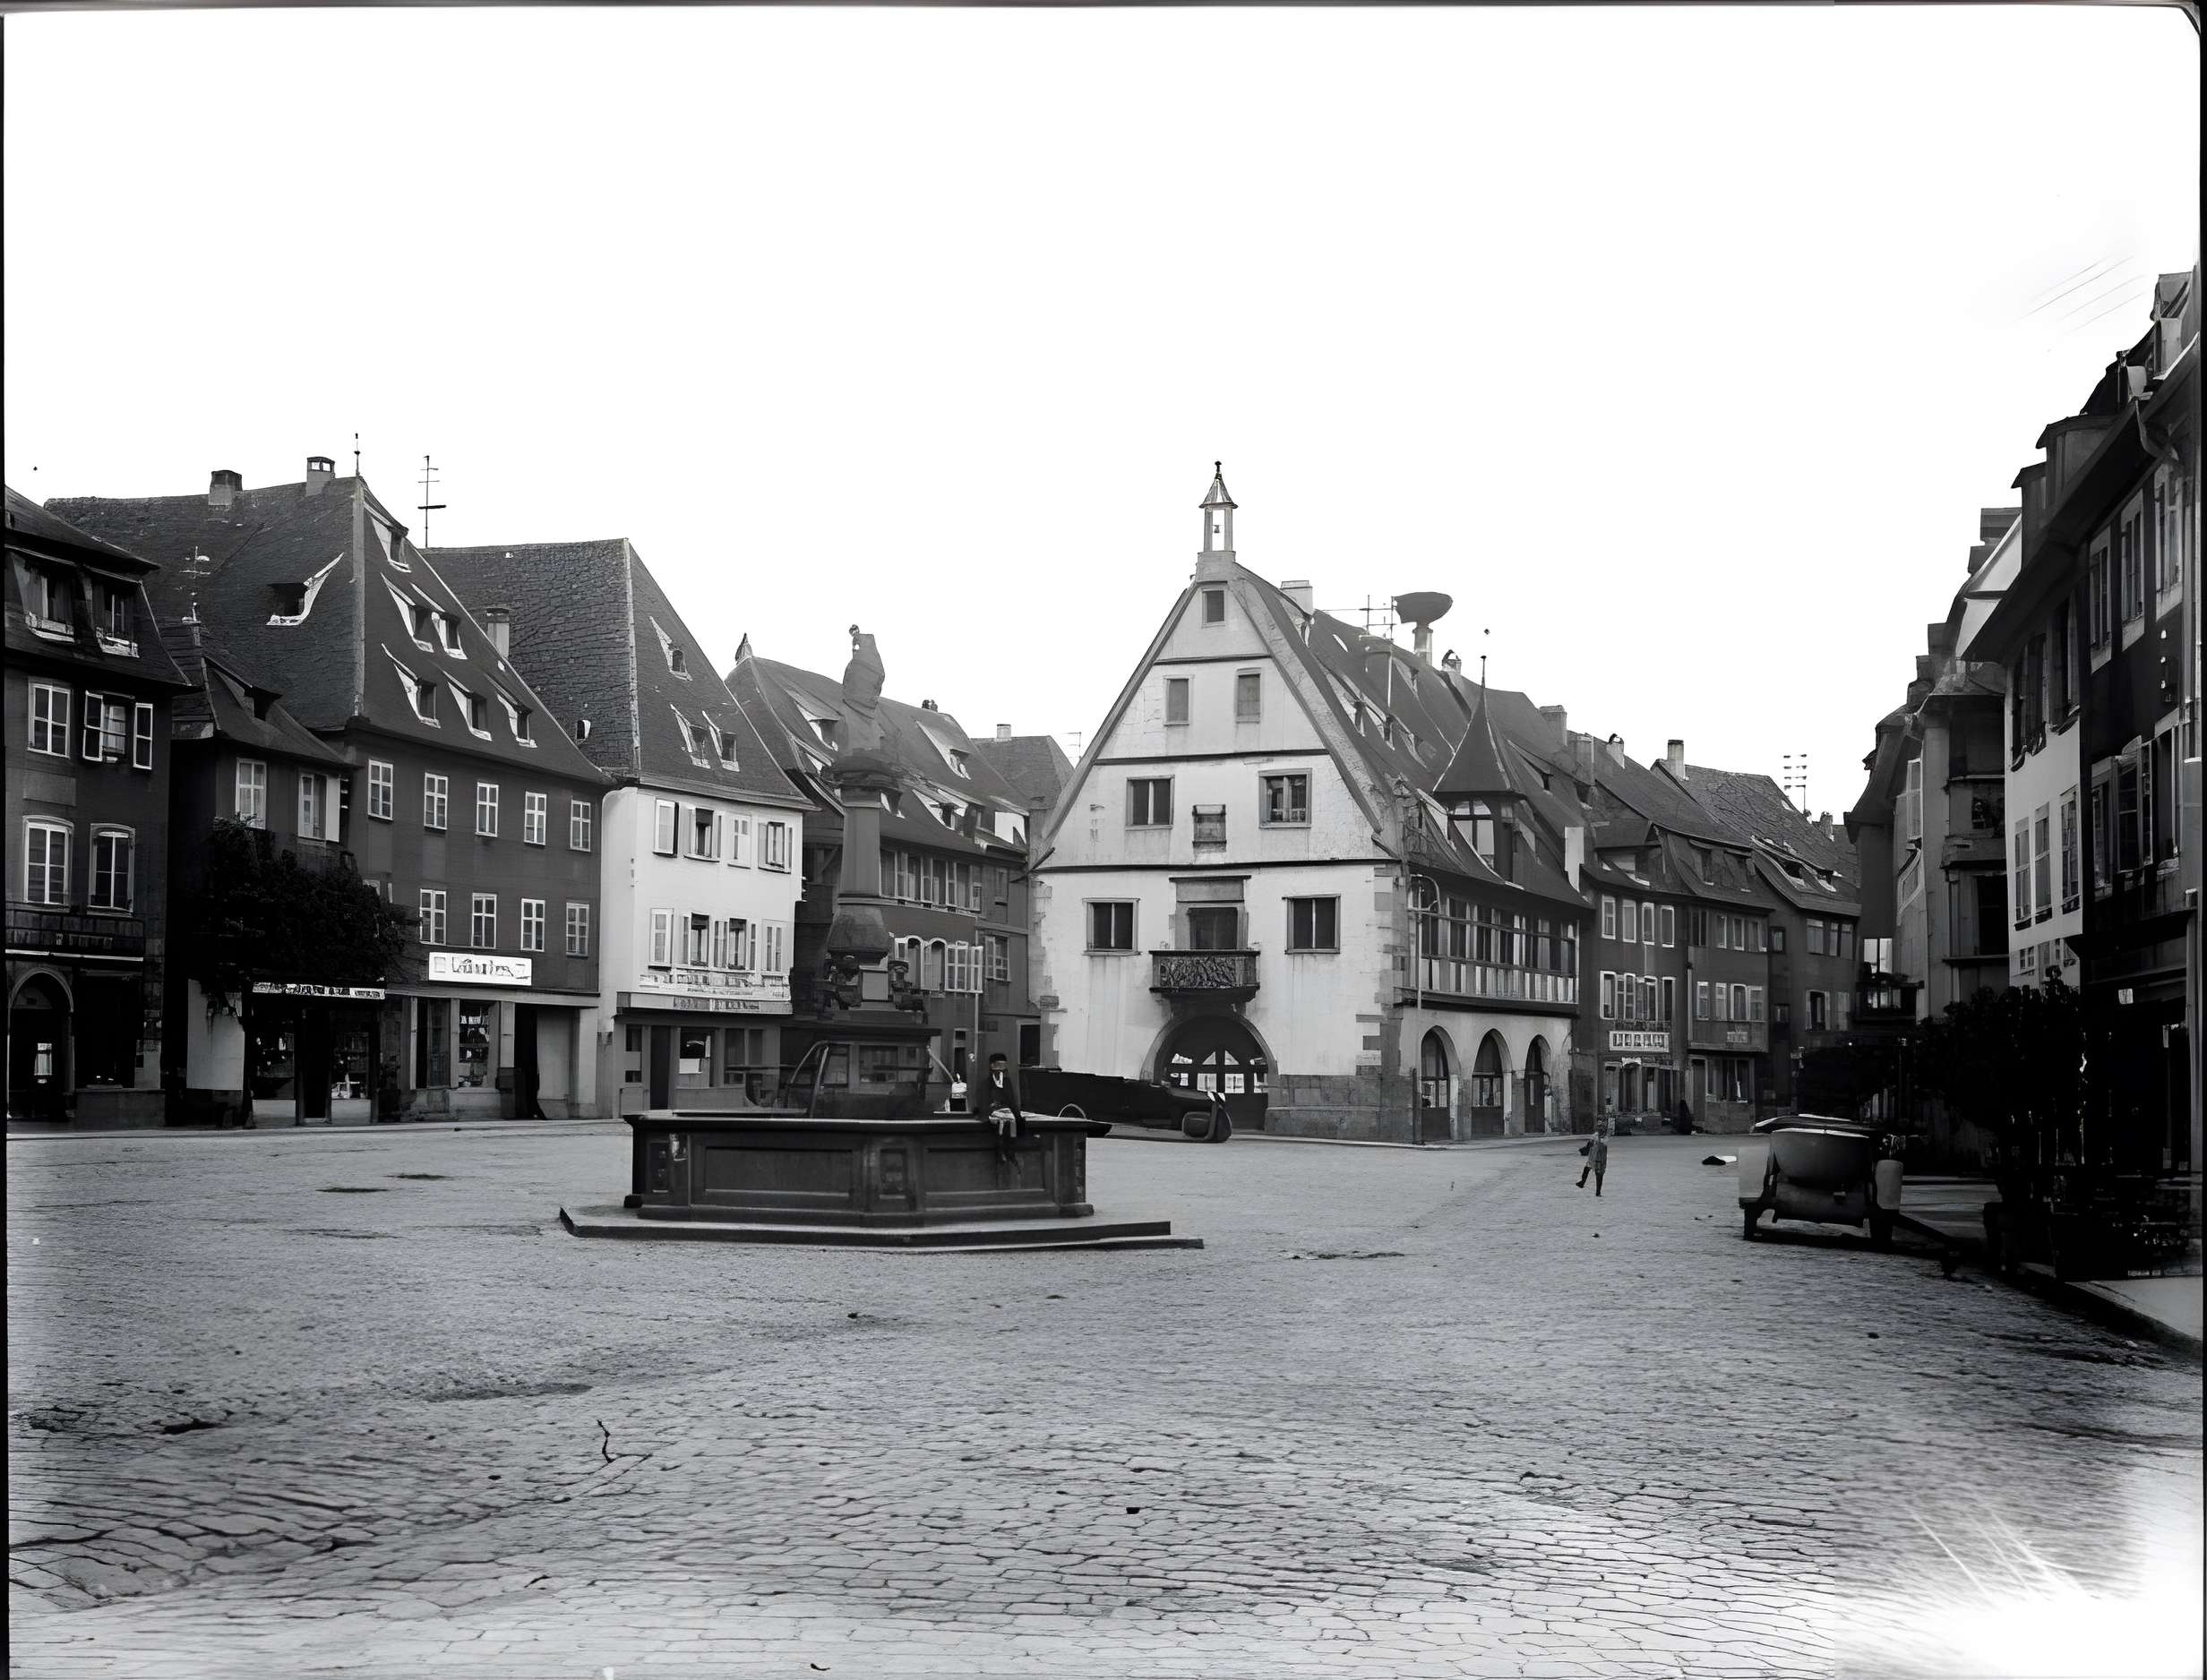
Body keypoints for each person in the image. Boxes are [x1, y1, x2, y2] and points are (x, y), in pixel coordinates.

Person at [972, 1051, 1024, 1162]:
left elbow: (1011, 1100)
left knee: (1011, 1120)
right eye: (999, 1066)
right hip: (992, 1111)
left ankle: (1009, 1150)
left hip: (1005, 1110)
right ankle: (1001, 1150)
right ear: (992, 1066)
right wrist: (989, 1107)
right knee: (1002, 1121)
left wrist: (1017, 1114)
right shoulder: (986, 1082)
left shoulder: (1007, 1082)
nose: (1002, 1069)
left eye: (1003, 1066)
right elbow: (982, 1099)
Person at [1577, 1115, 1612, 1196]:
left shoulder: (1604, 1136)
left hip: (1599, 1155)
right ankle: (1583, 1183)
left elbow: (1602, 1142)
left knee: (1598, 1172)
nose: (1599, 1126)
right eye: (1598, 1122)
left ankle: (1597, 1191)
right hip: (1594, 1155)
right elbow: (1591, 1142)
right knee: (1588, 1168)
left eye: (1601, 1122)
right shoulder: (1597, 1135)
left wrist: (1596, 1139)